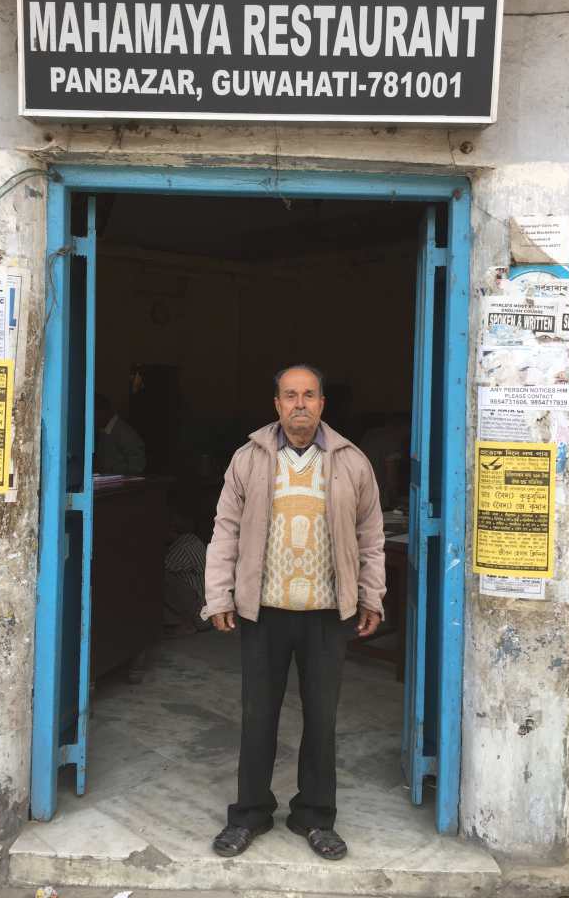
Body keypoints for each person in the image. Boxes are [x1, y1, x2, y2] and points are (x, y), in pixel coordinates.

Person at [203, 364, 386, 862]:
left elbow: (371, 536)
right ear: (277, 404)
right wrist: (219, 595)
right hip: (264, 611)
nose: (299, 404)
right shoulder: (249, 459)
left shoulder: (352, 462)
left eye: (309, 395)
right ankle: (250, 814)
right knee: (257, 716)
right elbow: (225, 530)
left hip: (327, 613)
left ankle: (314, 816)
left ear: (322, 404)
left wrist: (372, 595)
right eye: (290, 396)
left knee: (322, 719)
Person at [94, 393, 146, 476]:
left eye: (94, 413)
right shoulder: (103, 431)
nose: (92, 418)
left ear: (103, 412)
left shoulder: (124, 432)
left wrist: (114, 471)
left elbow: (137, 466)